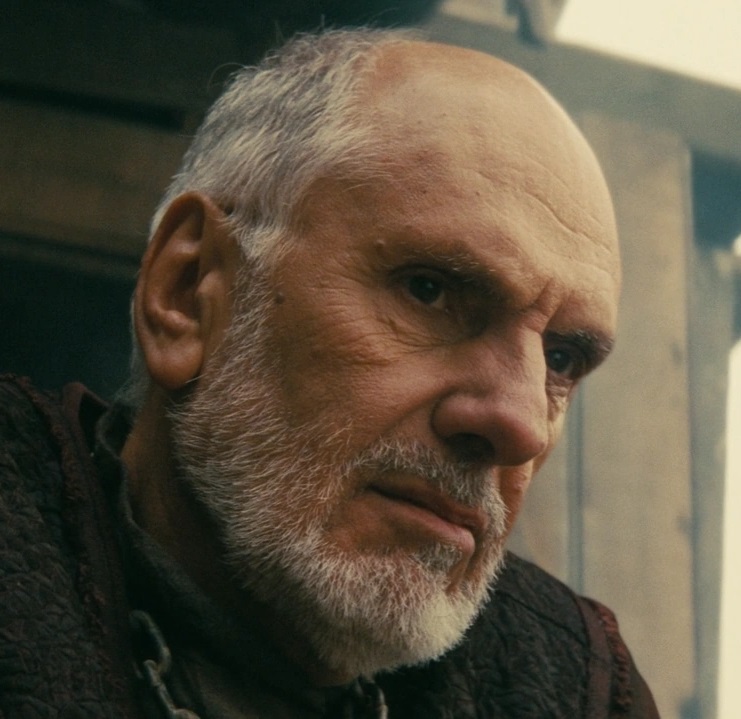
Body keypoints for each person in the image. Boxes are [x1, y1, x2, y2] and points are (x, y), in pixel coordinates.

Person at [0, 28, 659, 718]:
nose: (520, 425)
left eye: (561, 358)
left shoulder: (573, 692)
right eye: (429, 291)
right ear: (189, 293)